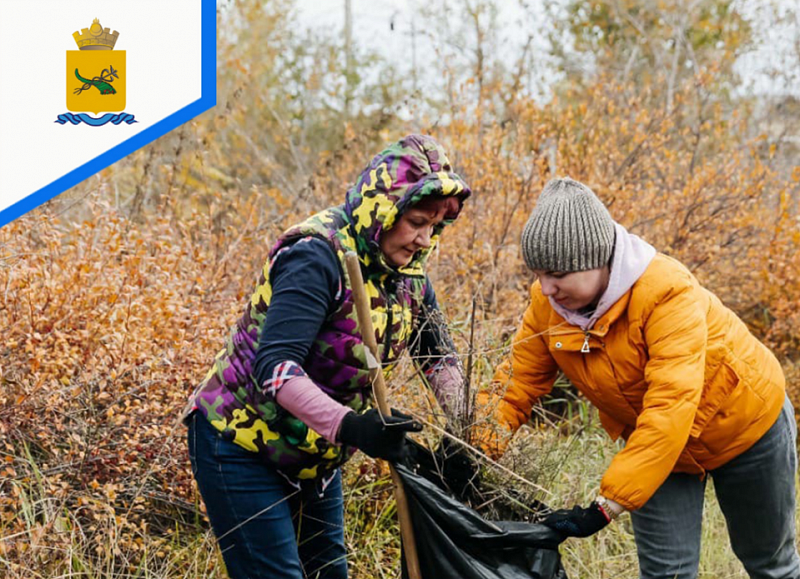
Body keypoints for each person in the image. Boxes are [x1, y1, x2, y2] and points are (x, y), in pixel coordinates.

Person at [477, 177, 799, 579]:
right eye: (538, 273)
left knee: (771, 565)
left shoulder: (666, 293)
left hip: (747, 427)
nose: (545, 287)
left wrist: (606, 506)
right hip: (658, 448)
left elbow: (671, 403)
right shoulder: (546, 304)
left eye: (557, 273)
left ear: (597, 260)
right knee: (667, 574)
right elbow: (515, 385)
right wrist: (472, 450)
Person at [182, 135, 471, 579]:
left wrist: (463, 434)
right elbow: (276, 370)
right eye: (415, 222)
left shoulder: (410, 275)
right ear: (383, 210)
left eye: (434, 226)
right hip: (240, 443)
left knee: (329, 574)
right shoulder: (316, 255)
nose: (424, 239)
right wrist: (356, 429)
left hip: (316, 454)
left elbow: (440, 361)